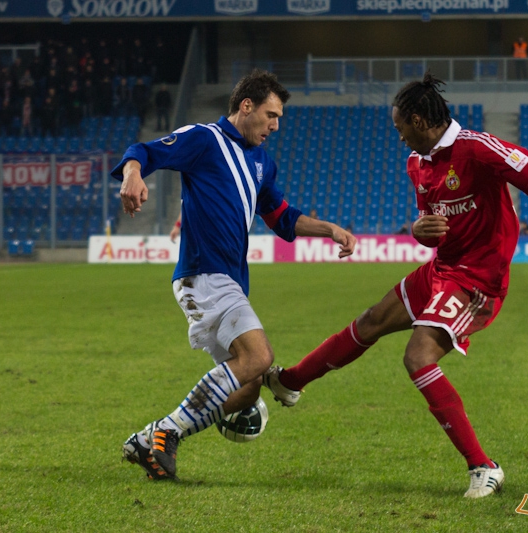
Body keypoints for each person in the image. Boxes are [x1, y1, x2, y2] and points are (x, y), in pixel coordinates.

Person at [262, 73, 528, 499]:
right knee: (371, 321)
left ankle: (483, 467)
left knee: (418, 356)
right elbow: (431, 225)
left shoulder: (477, 148)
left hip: (477, 282)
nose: (399, 138)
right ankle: (291, 381)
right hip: (441, 270)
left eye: (400, 129)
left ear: (418, 120)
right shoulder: (419, 163)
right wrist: (419, 229)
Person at [115, 70, 357, 481]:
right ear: (246, 106)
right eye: (270, 114)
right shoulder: (205, 140)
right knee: (259, 358)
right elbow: (144, 150)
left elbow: (281, 218)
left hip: (228, 280)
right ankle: (165, 435)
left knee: (246, 387)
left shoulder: (263, 161)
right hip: (204, 273)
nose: (275, 126)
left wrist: (329, 228)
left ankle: (152, 438)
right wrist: (132, 173)